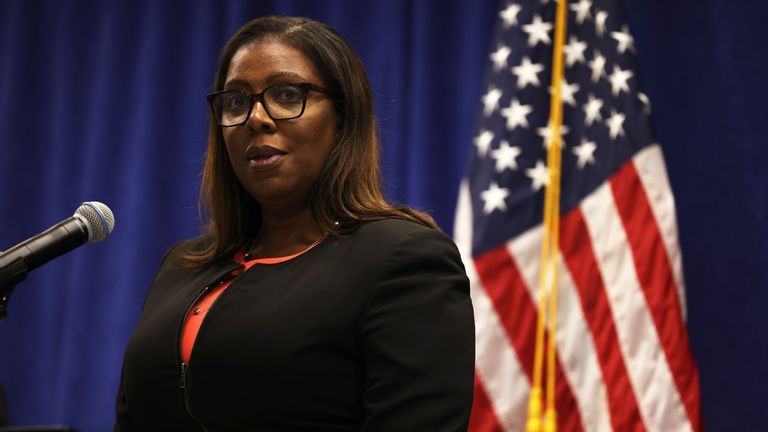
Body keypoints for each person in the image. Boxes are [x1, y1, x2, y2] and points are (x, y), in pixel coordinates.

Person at [115, 15, 474, 431]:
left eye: (287, 95)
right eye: (235, 101)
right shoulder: (183, 265)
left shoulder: (401, 259)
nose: (256, 118)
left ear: (343, 117)